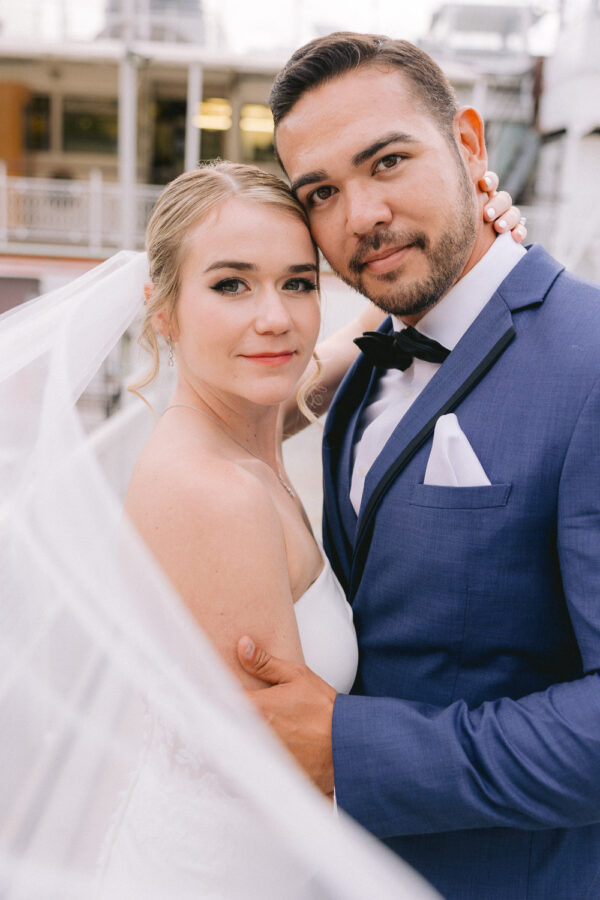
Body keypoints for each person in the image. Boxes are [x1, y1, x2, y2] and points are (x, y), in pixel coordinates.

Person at [235, 33, 600, 900]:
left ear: (469, 145)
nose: (360, 216)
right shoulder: (366, 366)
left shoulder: (589, 363)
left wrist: (349, 748)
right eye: (321, 193)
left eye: (388, 161)